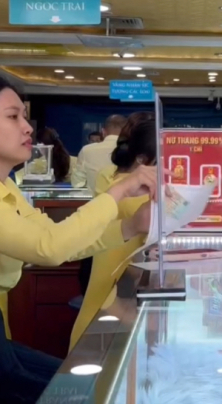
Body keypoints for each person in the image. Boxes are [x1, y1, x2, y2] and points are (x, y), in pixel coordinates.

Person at [0, 73, 158, 403]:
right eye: (13, 117)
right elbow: (48, 248)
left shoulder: (0, 185)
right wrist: (118, 192)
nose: (27, 128)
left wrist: (130, 226)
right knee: (83, 395)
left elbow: (56, 239)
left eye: (24, 117)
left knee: (89, 388)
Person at [70, 113, 156, 350]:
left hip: (105, 288)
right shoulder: (138, 194)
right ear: (142, 159)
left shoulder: (111, 178)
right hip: (116, 301)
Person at [71, 114, 126, 191]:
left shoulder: (86, 150)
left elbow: (77, 183)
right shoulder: (135, 150)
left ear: (103, 132)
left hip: (96, 197)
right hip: (127, 198)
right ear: (126, 131)